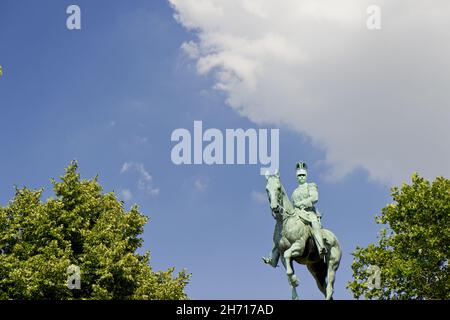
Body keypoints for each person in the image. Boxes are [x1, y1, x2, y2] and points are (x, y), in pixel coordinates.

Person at [291, 161, 327, 258]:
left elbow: (315, 198)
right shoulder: (294, 192)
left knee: (315, 225)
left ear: (306, 175)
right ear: (296, 177)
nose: (301, 177)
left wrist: (302, 203)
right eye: (299, 176)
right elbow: (293, 205)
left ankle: (321, 247)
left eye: (303, 175)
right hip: (297, 214)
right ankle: (274, 257)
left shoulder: (311, 185)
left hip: (309, 213)